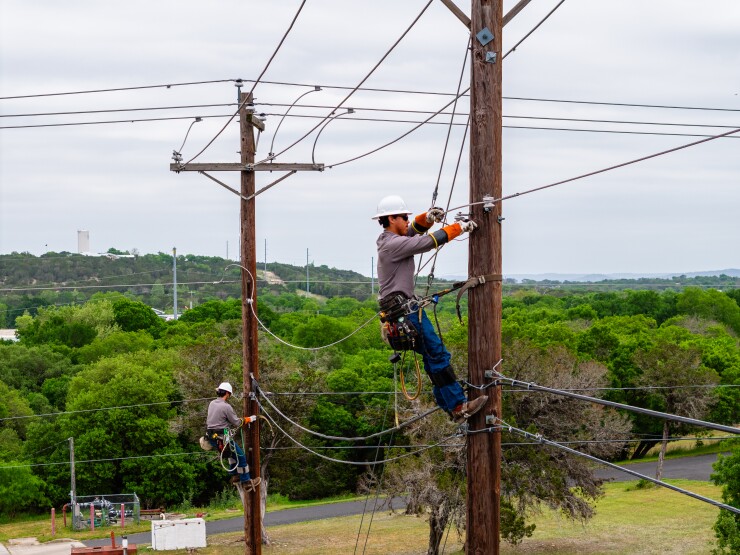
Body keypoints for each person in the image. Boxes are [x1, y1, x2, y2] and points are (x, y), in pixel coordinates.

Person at [374, 195, 488, 422]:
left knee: (432, 356)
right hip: (405, 313)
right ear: (391, 218)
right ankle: (457, 406)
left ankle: (451, 404)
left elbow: (414, 230)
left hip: (403, 313)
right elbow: (425, 242)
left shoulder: (389, 238)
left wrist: (427, 218)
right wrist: (460, 228)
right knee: (436, 354)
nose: (407, 220)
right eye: (403, 217)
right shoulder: (393, 245)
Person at [206, 382, 261, 491]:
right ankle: (247, 482)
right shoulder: (226, 407)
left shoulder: (212, 403)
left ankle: (235, 476)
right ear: (227, 393)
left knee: (231, 454)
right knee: (241, 456)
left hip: (212, 436)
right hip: (222, 437)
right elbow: (236, 423)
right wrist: (249, 419)